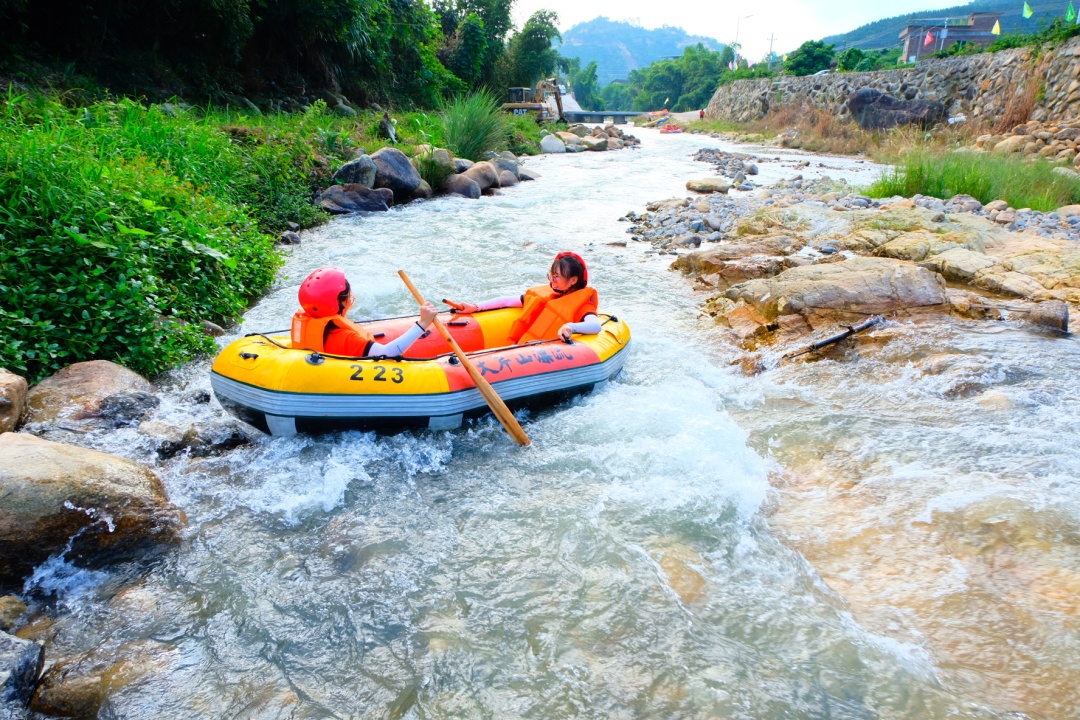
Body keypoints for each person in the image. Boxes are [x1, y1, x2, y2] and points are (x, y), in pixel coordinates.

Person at [452, 252, 601, 343]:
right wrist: (476, 306)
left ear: (573, 280)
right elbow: (506, 301)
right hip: (525, 349)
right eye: (551, 276)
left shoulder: (583, 305)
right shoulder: (547, 295)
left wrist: (571, 327)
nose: (552, 281)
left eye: (557, 277)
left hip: (549, 356)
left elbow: (595, 325)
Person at [291, 267, 437, 357]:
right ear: (340, 303)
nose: (350, 299)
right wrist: (423, 323)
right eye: (348, 297)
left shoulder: (307, 323)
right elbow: (387, 353)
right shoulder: (346, 338)